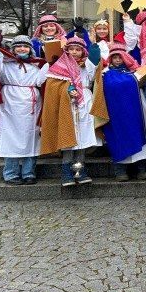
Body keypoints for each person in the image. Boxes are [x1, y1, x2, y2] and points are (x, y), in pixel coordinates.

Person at [0, 33, 49, 185]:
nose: (22, 48)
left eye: (25, 46)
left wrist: (49, 64)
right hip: (10, 103)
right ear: (13, 49)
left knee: (31, 136)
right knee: (10, 136)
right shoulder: (6, 63)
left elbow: (40, 81)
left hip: (31, 103)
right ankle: (11, 173)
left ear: (30, 49)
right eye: (18, 46)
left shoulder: (36, 65)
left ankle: (29, 173)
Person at [40, 36, 102, 186]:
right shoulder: (60, 65)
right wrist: (67, 89)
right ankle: (67, 172)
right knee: (69, 135)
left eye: (78, 49)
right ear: (66, 51)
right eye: (71, 49)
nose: (74, 52)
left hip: (85, 101)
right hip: (67, 103)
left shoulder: (86, 65)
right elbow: (53, 84)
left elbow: (94, 73)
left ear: (83, 51)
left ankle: (80, 170)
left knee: (83, 137)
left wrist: (94, 47)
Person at [96, 43, 146, 181]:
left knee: (139, 133)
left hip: (137, 110)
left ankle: (141, 168)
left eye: (120, 57)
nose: (118, 60)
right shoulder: (104, 74)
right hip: (116, 113)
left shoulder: (135, 72)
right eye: (115, 57)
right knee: (118, 137)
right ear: (110, 59)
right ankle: (120, 170)